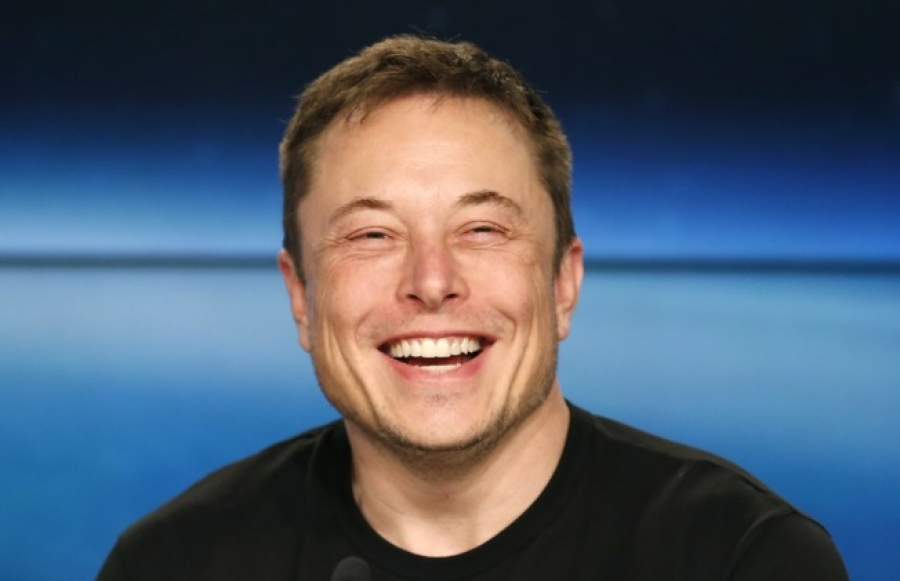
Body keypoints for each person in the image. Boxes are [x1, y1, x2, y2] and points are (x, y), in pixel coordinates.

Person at [97, 35, 848, 580]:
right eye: (372, 234)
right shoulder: (171, 563)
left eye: (483, 229)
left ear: (563, 283)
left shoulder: (743, 558)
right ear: (301, 296)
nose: (432, 280)